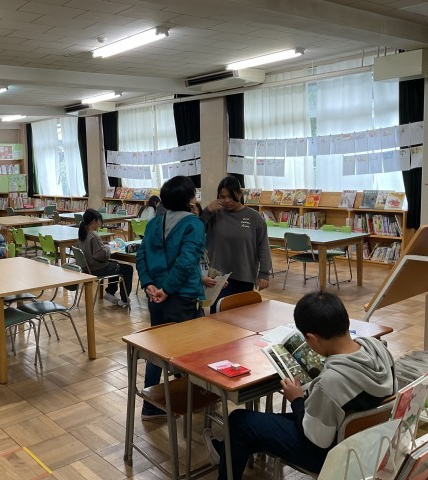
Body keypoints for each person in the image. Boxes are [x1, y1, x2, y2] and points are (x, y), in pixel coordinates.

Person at [204, 291, 397, 480]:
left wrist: (296, 399)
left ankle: (226, 459)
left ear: (312, 338)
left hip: (329, 453)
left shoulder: (331, 382)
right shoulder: (378, 348)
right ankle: (225, 451)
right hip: (367, 444)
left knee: (239, 421)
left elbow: (316, 439)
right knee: (255, 428)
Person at [136, 176, 206, 420]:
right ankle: (188, 398)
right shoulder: (194, 224)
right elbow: (186, 261)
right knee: (189, 351)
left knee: (157, 349)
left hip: (155, 296)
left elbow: (141, 256)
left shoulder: (154, 223)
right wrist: (167, 289)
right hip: (182, 296)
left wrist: (149, 284)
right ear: (189, 198)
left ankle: (150, 404)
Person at [202, 176, 271, 313]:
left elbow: (263, 246)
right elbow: (196, 230)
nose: (226, 200)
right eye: (222, 197)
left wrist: (264, 273)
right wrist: (206, 211)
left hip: (244, 275)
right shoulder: (214, 215)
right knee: (218, 315)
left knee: (242, 316)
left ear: (240, 194)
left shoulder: (254, 217)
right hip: (218, 277)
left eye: (230, 196)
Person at [77, 208, 133, 307]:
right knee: (128, 269)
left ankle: (110, 292)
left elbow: (93, 248)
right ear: (94, 221)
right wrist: (108, 249)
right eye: (99, 221)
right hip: (97, 269)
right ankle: (124, 300)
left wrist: (103, 244)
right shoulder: (93, 236)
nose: (99, 224)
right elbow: (102, 255)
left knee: (115, 265)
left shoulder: (82, 233)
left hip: (87, 268)